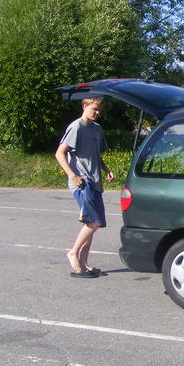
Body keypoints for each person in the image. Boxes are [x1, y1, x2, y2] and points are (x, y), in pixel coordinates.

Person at [55, 97, 115, 278]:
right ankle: (73, 253)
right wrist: (72, 176)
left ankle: (83, 264)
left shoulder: (97, 129)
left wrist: (106, 170)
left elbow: (95, 154)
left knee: (93, 224)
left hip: (95, 181)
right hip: (82, 183)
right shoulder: (77, 127)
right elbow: (59, 153)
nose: (97, 113)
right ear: (84, 106)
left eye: (99, 110)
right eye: (94, 109)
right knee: (93, 221)